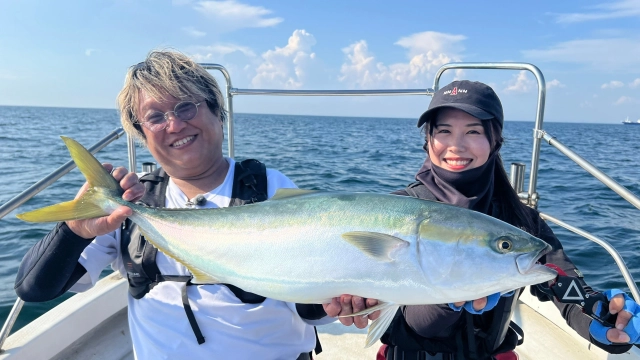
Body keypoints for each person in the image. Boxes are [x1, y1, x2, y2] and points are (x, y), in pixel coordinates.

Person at [14, 50, 334, 360]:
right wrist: (74, 230)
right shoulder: (130, 204)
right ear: (141, 134)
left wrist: (338, 300)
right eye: (155, 117)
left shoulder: (272, 189)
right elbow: (34, 289)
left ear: (217, 112)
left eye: (185, 107)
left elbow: (309, 304)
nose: (175, 125)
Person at [376, 80, 640, 359]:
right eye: (444, 131)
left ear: (494, 140)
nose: (456, 145)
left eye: (473, 131)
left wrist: (602, 315)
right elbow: (411, 323)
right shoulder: (397, 212)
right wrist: (450, 301)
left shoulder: (519, 221)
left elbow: (563, 284)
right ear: (428, 140)